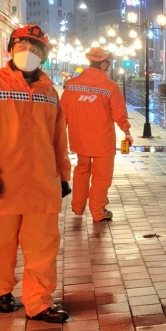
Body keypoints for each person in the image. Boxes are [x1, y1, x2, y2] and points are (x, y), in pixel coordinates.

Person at [0, 24, 71, 324]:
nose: (28, 53)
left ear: (45, 56)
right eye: (22, 46)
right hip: (1, 184)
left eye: (35, 49)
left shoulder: (50, 92)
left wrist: (63, 176)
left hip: (41, 184)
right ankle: (2, 291)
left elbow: (58, 140)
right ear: (10, 49)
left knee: (43, 247)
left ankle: (38, 302)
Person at [61, 47, 131, 222]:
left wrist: (59, 137)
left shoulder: (72, 85)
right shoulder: (110, 87)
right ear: (104, 63)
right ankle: (98, 211)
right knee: (101, 177)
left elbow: (63, 114)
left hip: (79, 141)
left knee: (82, 171)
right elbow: (119, 113)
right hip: (102, 142)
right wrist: (127, 132)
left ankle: (77, 208)